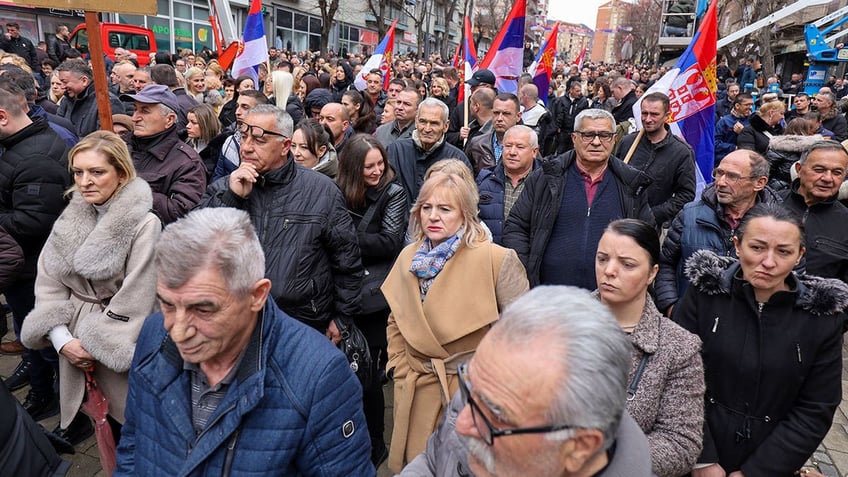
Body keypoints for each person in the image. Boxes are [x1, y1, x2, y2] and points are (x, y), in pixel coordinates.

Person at [114, 208, 373, 475]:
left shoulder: (319, 377)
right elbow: (134, 444)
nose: (177, 332)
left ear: (257, 295)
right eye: (167, 304)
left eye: (203, 310)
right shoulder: (153, 334)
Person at [399, 286, 656, 477]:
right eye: (470, 388)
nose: (463, 424)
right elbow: (434, 460)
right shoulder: (485, 392)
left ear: (579, 447)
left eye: (497, 415)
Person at [674, 203, 847, 475]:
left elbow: (816, 407)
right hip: (691, 453)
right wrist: (703, 459)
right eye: (757, 248)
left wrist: (758, 471)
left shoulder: (820, 318)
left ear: (800, 255)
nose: (768, 262)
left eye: (784, 251)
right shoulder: (705, 295)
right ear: (737, 245)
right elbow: (675, 377)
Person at [20, 131, 160, 449]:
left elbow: (138, 294)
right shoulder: (73, 215)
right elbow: (48, 280)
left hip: (122, 337)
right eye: (79, 172)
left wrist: (95, 342)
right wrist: (61, 339)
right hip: (73, 337)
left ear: (121, 174)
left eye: (97, 172)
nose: (85, 181)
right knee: (99, 422)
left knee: (131, 427)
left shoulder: (144, 223)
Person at [382, 171, 529, 472]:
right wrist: (397, 366)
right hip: (415, 387)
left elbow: (522, 336)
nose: (433, 216)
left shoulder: (496, 260)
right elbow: (396, 319)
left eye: (445, 209)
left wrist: (488, 391)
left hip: (469, 396)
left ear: (465, 214)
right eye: (427, 207)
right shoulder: (409, 256)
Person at [201, 104, 362, 338]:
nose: (246, 147)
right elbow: (198, 248)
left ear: (285, 145)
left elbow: (347, 260)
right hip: (236, 323)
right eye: (243, 137)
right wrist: (231, 197)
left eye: (259, 140)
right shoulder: (224, 187)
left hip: (301, 323)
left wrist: (343, 317)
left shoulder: (321, 191)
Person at [594, 219, 704, 477]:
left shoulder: (678, 348)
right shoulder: (562, 322)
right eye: (602, 259)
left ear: (652, 273)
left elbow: (680, 444)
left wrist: (601, 456)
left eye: (627, 264)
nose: (609, 271)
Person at [503, 108, 654, 289]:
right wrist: (526, 271)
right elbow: (516, 226)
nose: (596, 142)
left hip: (609, 300)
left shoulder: (630, 184)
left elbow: (647, 239)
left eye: (604, 135)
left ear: (614, 139)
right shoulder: (546, 178)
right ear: (574, 139)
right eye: (588, 135)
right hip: (549, 297)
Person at [336, 134, 408, 467]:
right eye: (369, 166)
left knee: (369, 377)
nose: (377, 171)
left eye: (380, 164)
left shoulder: (393, 192)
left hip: (374, 299)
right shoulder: (336, 191)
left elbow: (389, 242)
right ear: (353, 168)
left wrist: (344, 239)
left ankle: (375, 441)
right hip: (342, 291)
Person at [0, 77, 70, 418]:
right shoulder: (17, 146)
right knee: (34, 341)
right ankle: (43, 392)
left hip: (35, 269)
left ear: (2, 116)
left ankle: (60, 403)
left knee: (43, 343)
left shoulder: (37, 155)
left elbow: (33, 221)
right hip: (25, 267)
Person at [656, 150, 778, 315]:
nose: (720, 182)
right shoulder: (690, 214)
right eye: (719, 173)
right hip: (689, 323)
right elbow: (665, 264)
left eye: (732, 176)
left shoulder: (780, 226)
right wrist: (671, 307)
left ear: (759, 183)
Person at [122, 84, 207, 224]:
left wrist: (134, 193)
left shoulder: (188, 162)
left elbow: (183, 214)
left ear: (169, 120)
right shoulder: (121, 147)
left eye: (145, 111)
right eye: (135, 109)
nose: (135, 118)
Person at [615, 92, 696, 227]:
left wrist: (653, 215)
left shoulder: (682, 152)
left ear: (667, 116)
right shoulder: (627, 142)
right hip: (618, 220)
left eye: (654, 114)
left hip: (652, 227)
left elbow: (686, 195)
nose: (647, 119)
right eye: (644, 113)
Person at [781, 140, 848, 282]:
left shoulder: (845, 221)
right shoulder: (770, 203)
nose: (828, 178)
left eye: (837, 172)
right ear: (799, 169)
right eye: (819, 170)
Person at [386, 98, 472, 208]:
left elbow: (466, 202)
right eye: (423, 122)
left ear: (446, 126)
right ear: (416, 122)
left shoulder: (458, 159)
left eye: (434, 123)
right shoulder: (396, 150)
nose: (427, 129)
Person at [477, 125, 541, 244]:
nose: (512, 152)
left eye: (520, 147)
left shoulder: (545, 183)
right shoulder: (484, 181)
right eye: (508, 146)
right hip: (491, 256)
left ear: (534, 152)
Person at [56, 60, 125, 137]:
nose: (62, 86)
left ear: (84, 81)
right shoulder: (66, 100)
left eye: (65, 82)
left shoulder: (108, 102)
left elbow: (108, 139)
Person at [467, 93, 522, 174]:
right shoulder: (477, 144)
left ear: (518, 116)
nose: (499, 118)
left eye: (506, 114)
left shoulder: (528, 146)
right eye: (496, 113)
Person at [765, 117, 821, 191]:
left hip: (778, 188)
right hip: (804, 187)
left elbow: (766, 170)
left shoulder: (776, 147)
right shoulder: (813, 149)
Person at [715, 93, 754, 164]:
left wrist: (744, 132)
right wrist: (734, 148)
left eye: (751, 104)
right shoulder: (724, 121)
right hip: (726, 160)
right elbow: (716, 144)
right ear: (737, 106)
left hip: (747, 160)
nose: (750, 107)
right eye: (747, 105)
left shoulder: (753, 121)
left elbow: (759, 141)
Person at [186, 103, 222, 179]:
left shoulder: (219, 150)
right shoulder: (186, 144)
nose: (188, 126)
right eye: (188, 121)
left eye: (194, 123)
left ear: (206, 125)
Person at [556, 79, 591, 154]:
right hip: (563, 131)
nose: (579, 93)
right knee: (560, 151)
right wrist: (558, 126)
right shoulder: (562, 100)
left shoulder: (583, 101)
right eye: (577, 91)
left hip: (575, 131)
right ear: (571, 90)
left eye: (580, 91)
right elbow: (558, 113)